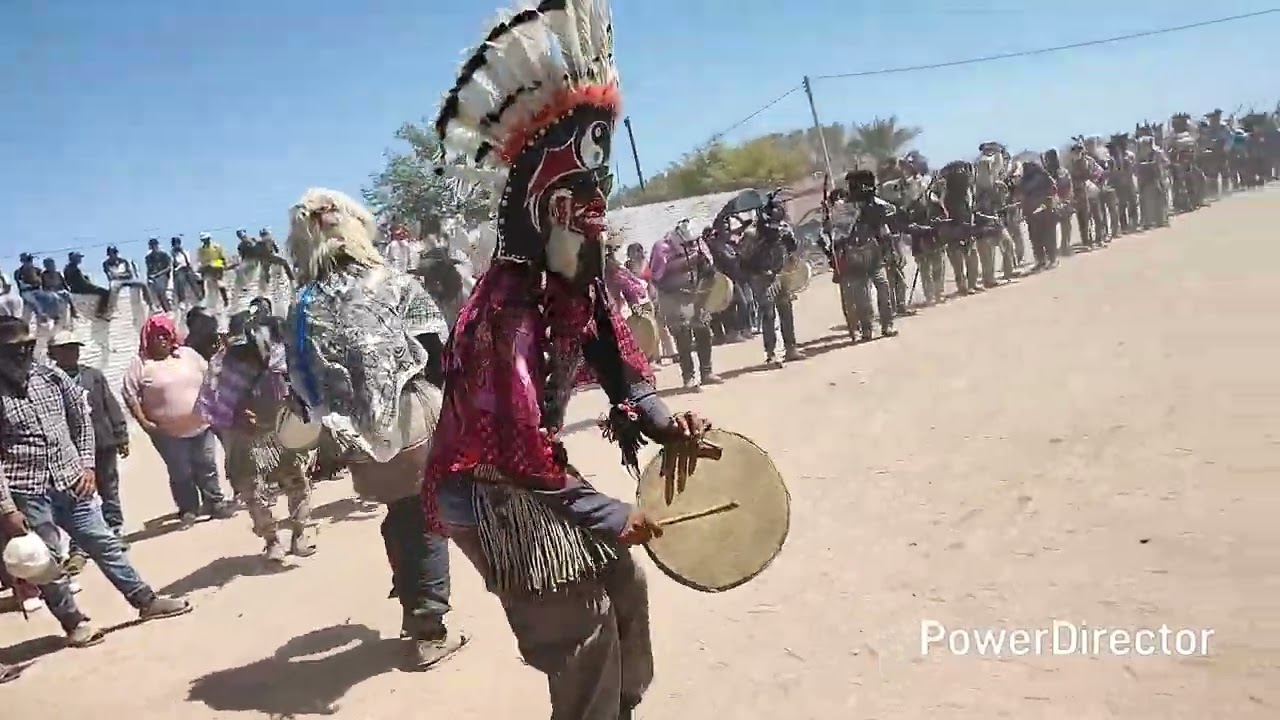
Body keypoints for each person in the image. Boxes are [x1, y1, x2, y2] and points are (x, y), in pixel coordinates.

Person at [427, 2, 714, 715]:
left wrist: (664, 420)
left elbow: (618, 361)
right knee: (580, 627)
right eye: (581, 196)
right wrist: (609, 512)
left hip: (534, 474)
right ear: (541, 206)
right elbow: (515, 448)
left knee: (625, 589)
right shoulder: (505, 308)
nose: (597, 212)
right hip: (489, 490)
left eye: (601, 194)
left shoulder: (572, 284)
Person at [283, 188, 462, 669]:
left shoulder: (302, 304)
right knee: (425, 515)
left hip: (353, 436)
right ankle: (428, 628)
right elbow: (439, 352)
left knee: (400, 513)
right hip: (412, 421)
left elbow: (299, 380)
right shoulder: (395, 282)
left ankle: (412, 602)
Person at [0, 316, 191, 648]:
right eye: (14, 349)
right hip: (26, 491)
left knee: (105, 543)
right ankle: (73, 623)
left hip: (73, 482)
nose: (24, 354)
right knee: (46, 563)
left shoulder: (52, 377)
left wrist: (87, 466)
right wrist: (6, 508)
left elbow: (82, 423)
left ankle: (145, 601)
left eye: (29, 347)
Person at [197, 310, 315, 562]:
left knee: (297, 483)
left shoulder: (280, 357)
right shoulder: (222, 365)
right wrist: (237, 416)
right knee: (252, 492)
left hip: (279, 431)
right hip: (244, 437)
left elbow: (298, 387)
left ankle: (299, 534)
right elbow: (215, 405)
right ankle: (271, 541)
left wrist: (293, 408)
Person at [122, 315, 233, 527]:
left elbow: (210, 377)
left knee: (207, 464)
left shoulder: (188, 355)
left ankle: (215, 502)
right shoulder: (141, 364)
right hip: (167, 433)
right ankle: (188, 509)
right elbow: (130, 394)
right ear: (148, 339)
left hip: (202, 424)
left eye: (165, 335)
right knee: (181, 471)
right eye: (156, 337)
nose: (162, 340)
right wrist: (145, 423)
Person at [46, 330, 131, 571]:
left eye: (74, 347)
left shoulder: (93, 376)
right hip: (70, 450)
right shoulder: (48, 382)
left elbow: (110, 405)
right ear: (53, 353)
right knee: (78, 497)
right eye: (64, 349)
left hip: (102, 443)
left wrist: (121, 434)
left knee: (109, 489)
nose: (71, 352)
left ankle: (114, 531)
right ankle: (80, 546)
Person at [650, 220, 721, 389]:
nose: (690, 245)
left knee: (704, 331)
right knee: (683, 338)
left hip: (696, 294)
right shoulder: (662, 248)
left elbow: (709, 267)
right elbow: (657, 276)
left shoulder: (698, 244)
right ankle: (688, 377)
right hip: (673, 297)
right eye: (687, 243)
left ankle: (707, 371)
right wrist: (684, 263)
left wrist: (704, 262)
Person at [742, 195, 805, 366]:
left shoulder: (783, 229)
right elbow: (743, 260)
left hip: (780, 273)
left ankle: (791, 348)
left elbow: (793, 247)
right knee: (768, 313)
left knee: (786, 308)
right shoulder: (751, 235)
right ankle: (771, 353)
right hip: (760, 277)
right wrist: (759, 273)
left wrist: (789, 242)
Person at [62, 252, 112, 319]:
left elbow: (69, 281)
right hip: (82, 289)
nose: (80, 259)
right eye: (78, 257)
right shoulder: (74, 269)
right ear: (73, 259)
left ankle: (100, 311)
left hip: (77, 288)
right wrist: (92, 285)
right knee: (106, 292)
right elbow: (83, 283)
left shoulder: (68, 268)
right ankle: (100, 312)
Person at [196, 232, 230, 307]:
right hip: (207, 269)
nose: (205, 241)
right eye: (204, 240)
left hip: (217, 268)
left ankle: (225, 301)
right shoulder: (201, 250)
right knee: (209, 287)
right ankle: (210, 303)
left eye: (206, 239)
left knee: (220, 284)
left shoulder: (216, 247)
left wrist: (220, 265)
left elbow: (222, 258)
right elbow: (200, 261)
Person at [170, 236, 202, 305]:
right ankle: (182, 300)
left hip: (187, 268)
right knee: (180, 281)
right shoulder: (172, 253)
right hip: (179, 269)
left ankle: (199, 297)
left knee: (193, 281)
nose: (176, 245)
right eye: (175, 244)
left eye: (177, 243)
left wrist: (183, 253)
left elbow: (188, 262)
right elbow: (174, 264)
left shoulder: (185, 251)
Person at [144, 237, 173, 311]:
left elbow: (168, 268)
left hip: (162, 275)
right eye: (151, 245)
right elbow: (149, 270)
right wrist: (149, 278)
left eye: (154, 245)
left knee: (161, 291)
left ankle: (168, 309)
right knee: (148, 292)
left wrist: (158, 274)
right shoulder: (148, 257)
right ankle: (156, 308)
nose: (153, 247)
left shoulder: (163, 255)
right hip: (153, 277)